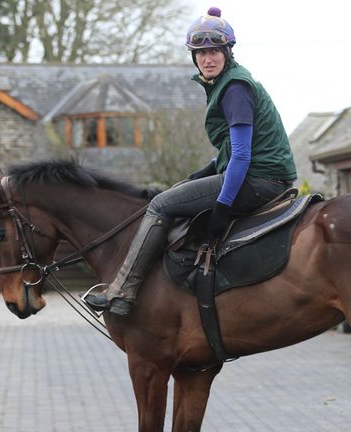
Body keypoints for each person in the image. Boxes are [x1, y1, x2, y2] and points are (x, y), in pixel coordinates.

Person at [84, 6, 297, 318]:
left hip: (260, 180)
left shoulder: (235, 89)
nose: (207, 59)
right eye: (201, 53)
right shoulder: (227, 83)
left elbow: (241, 155)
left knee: (160, 204)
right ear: (194, 56)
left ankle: (122, 290)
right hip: (261, 175)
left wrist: (223, 206)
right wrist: (206, 171)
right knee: (177, 191)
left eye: (214, 51)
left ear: (227, 52)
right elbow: (233, 148)